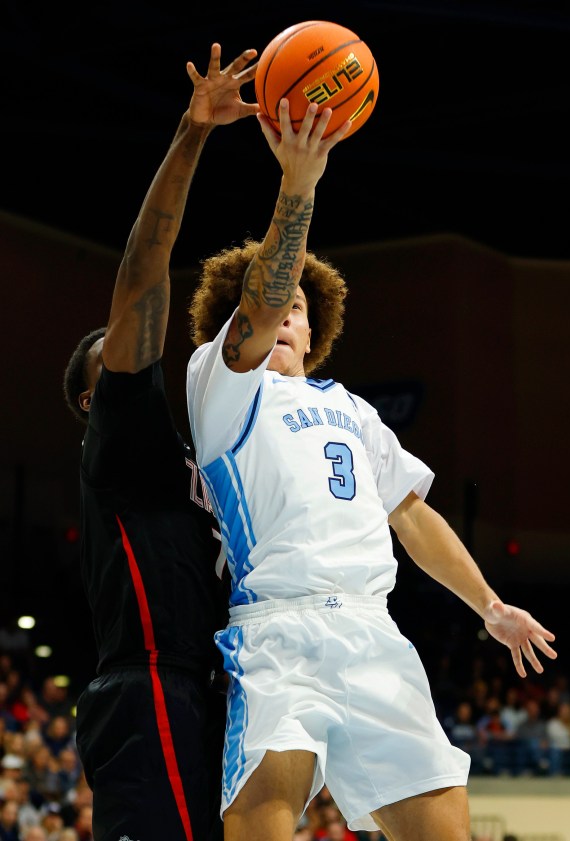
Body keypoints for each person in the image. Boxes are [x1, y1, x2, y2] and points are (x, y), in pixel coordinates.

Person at [185, 99, 558, 841]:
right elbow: (257, 297)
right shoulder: (219, 385)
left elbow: (413, 515)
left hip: (372, 630)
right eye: (271, 305)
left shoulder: (354, 409)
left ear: (315, 326)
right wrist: (300, 185)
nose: (282, 314)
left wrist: (487, 604)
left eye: (296, 307)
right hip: (277, 634)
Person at [62, 43, 259, 841]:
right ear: (93, 394)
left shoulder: (202, 460)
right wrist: (192, 134)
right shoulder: (120, 443)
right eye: (111, 353)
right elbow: (145, 269)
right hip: (150, 693)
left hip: (211, 692)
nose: (130, 349)